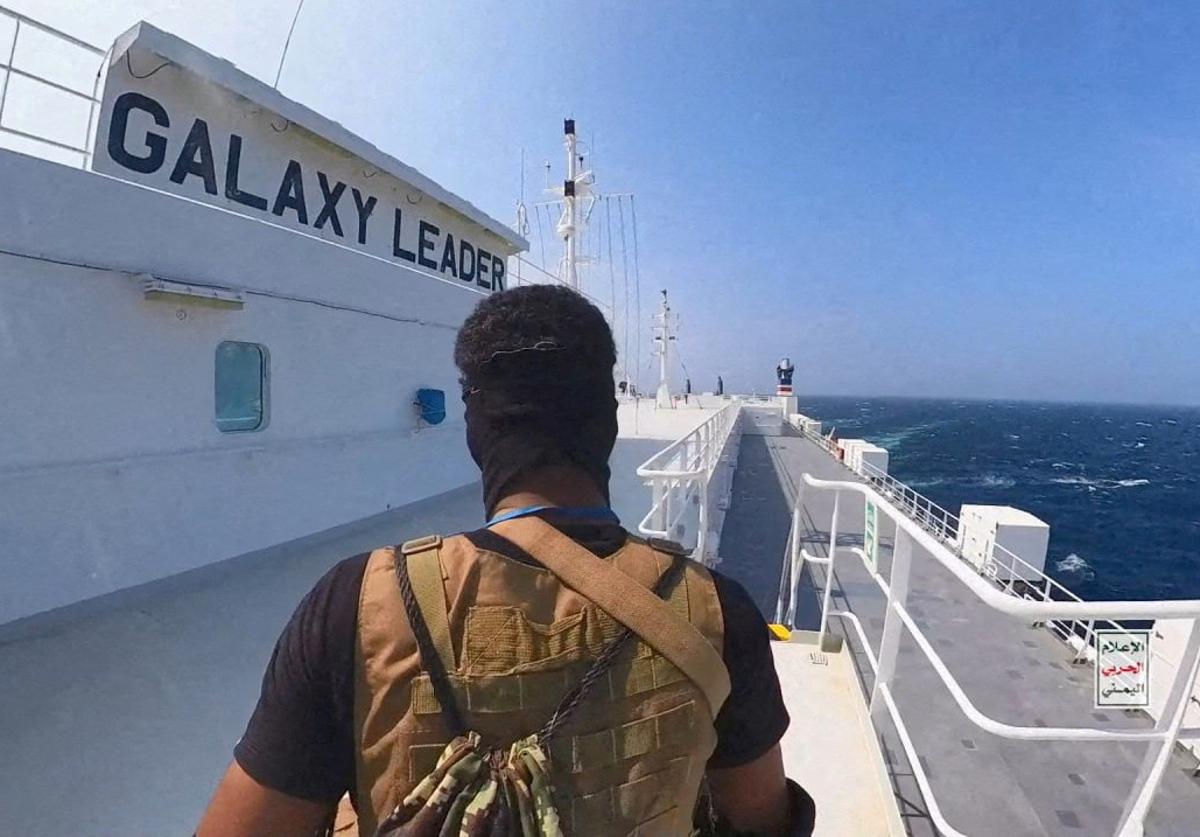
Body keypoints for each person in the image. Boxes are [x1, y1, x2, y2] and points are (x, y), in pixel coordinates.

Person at [197, 285, 814, 836]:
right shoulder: (715, 610)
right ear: (607, 422)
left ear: (478, 430)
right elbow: (760, 818)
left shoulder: (357, 602)